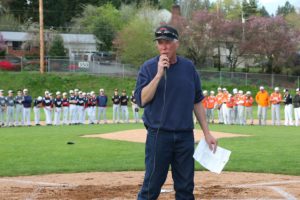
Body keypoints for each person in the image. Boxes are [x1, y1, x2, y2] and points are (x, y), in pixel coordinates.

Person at [134, 25, 217, 200]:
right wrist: (158, 75)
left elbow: (197, 102)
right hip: (158, 136)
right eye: (160, 42)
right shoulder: (148, 67)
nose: (164, 46)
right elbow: (142, 100)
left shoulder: (188, 67)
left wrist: (207, 133)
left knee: (186, 187)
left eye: (168, 42)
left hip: (185, 136)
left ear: (176, 43)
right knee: (151, 186)